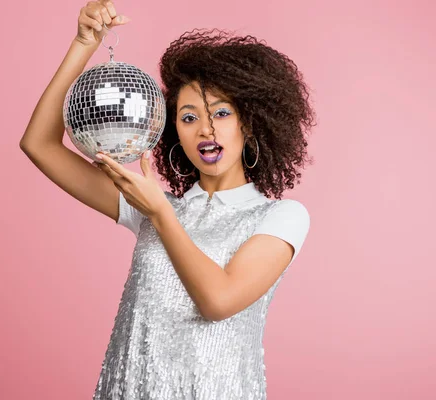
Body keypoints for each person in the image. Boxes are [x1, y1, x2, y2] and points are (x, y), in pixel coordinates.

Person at [20, 1, 316, 398]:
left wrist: (159, 211)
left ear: (249, 122)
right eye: (189, 117)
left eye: (222, 113)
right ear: (173, 129)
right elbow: (39, 144)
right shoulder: (152, 206)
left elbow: (218, 301)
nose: (205, 130)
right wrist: (83, 44)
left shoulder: (282, 216)